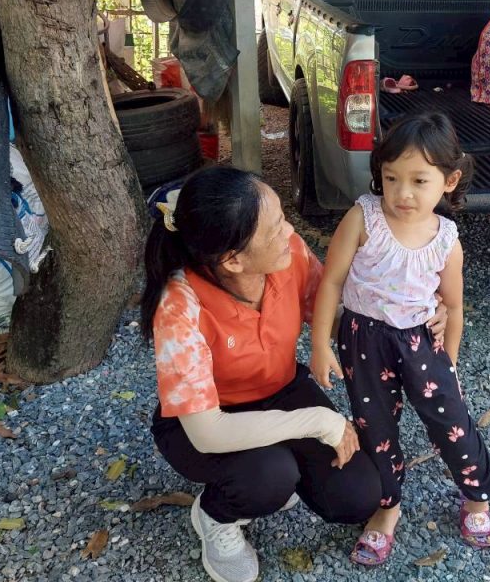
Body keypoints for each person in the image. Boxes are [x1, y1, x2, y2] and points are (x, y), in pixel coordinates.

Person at [141, 166, 444, 582]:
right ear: (233, 260)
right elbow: (207, 433)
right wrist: (318, 421)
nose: (289, 231)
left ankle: (285, 471)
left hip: (282, 390)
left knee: (358, 496)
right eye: (275, 230)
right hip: (210, 420)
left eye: (282, 217)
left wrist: (414, 322)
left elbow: (336, 318)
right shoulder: (179, 305)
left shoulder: (290, 254)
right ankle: (215, 515)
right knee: (268, 476)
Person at [309, 112, 490, 566]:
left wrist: (450, 362)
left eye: (419, 180)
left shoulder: (446, 239)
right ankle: (387, 506)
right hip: (363, 341)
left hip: (421, 343)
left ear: (449, 181)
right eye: (391, 178)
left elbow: (454, 305)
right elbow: (331, 282)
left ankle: (477, 497)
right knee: (375, 427)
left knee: (452, 422)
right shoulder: (363, 218)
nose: (402, 193)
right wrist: (319, 344)